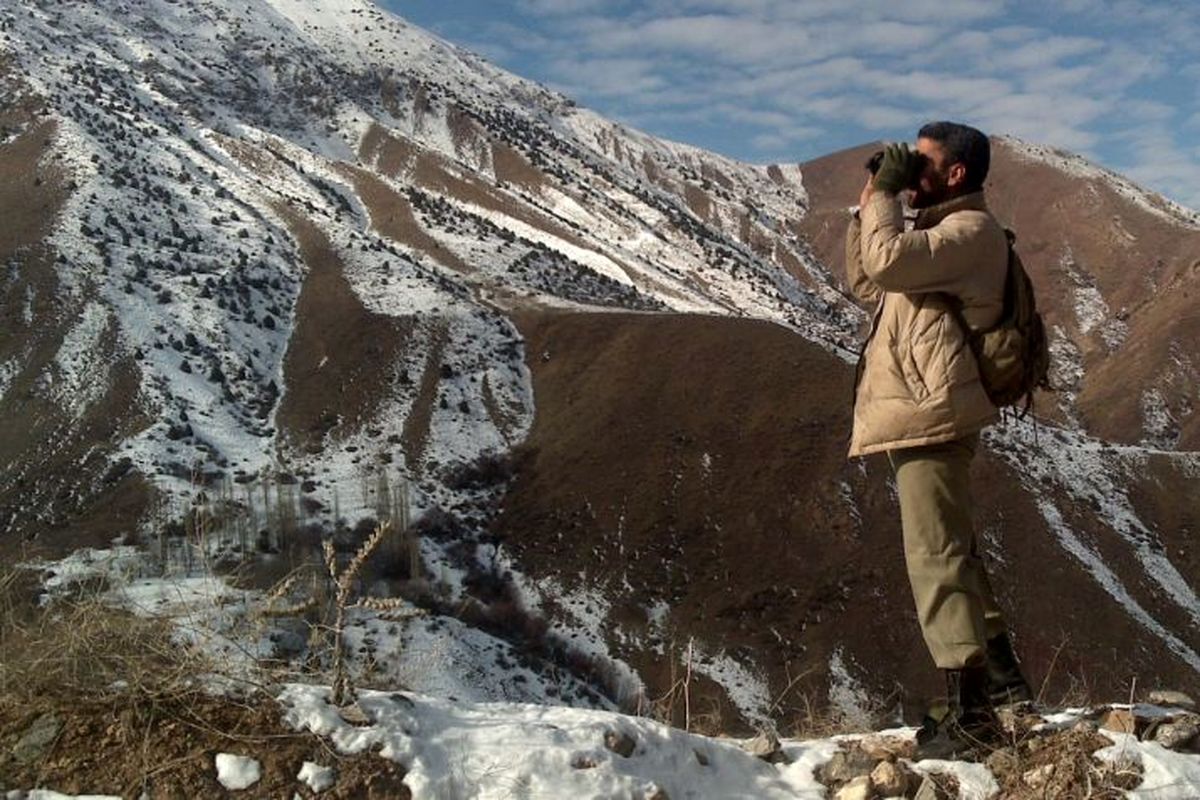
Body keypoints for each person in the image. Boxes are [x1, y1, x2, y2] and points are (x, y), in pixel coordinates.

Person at [844, 121, 1033, 753]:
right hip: (922, 409)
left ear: (956, 174)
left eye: (921, 164)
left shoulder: (969, 233)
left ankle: (971, 718)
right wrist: (876, 195)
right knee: (954, 550)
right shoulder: (934, 234)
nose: (912, 172)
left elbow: (886, 259)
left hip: (934, 413)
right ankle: (1003, 687)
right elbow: (868, 279)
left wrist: (889, 202)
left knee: (936, 557)